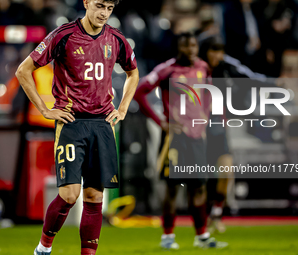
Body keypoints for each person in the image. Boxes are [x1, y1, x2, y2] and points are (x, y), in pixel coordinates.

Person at [15, 0, 139, 254]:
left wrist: (123, 107)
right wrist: (44, 109)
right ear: (86, 2)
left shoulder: (116, 39)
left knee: (94, 198)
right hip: (72, 123)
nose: (104, 13)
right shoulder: (63, 35)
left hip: (103, 124)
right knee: (70, 195)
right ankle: (44, 247)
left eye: (109, 8)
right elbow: (23, 71)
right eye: (100, 5)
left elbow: (133, 72)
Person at [134, 32, 227, 250]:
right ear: (179, 48)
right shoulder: (167, 69)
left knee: (199, 187)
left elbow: (208, 94)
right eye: (186, 46)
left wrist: (204, 119)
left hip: (197, 138)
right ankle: (167, 237)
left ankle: (201, 236)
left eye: (193, 46)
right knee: (173, 188)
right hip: (175, 138)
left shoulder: (203, 67)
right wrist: (161, 122)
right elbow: (139, 92)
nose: (191, 50)